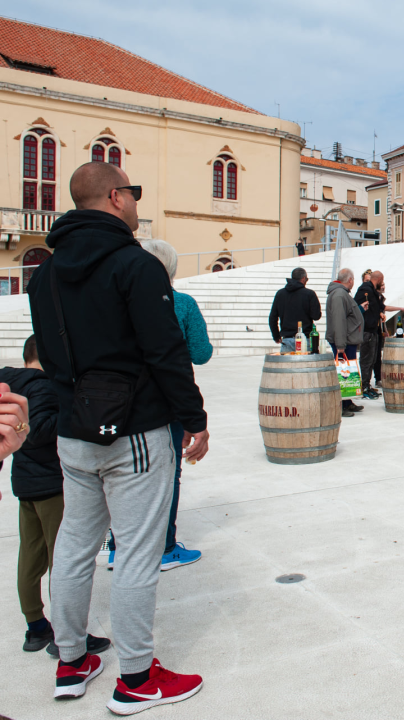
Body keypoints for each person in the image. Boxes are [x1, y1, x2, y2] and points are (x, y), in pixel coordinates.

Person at [28, 161, 208, 711]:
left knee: (76, 544)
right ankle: (136, 676)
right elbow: (165, 353)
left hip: (72, 430)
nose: (135, 201)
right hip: (133, 430)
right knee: (136, 551)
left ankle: (71, 658)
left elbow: (49, 354)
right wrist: (194, 418)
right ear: (114, 197)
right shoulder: (136, 265)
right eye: (132, 192)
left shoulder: (44, 273)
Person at [107, 239, 212, 574]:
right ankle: (165, 548)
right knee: (168, 476)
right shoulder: (181, 304)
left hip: (116, 403)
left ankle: (116, 546)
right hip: (167, 402)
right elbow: (201, 353)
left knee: (119, 477)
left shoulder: (114, 300)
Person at [4, 336, 111, 657]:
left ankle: (35, 627)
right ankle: (69, 636)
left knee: (30, 556)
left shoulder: (8, 382)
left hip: (24, 484)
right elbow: (37, 432)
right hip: (52, 487)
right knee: (64, 561)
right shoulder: (44, 386)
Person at [326, 268, 366, 417]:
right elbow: (339, 321)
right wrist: (340, 345)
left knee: (348, 374)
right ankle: (342, 405)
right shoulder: (339, 295)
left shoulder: (341, 293)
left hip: (347, 340)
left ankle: (348, 402)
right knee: (343, 374)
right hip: (344, 342)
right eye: (353, 280)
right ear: (350, 280)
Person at [269, 268, 322, 354]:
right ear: (303, 278)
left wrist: (276, 336)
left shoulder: (280, 294)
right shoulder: (309, 294)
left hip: (287, 339)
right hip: (305, 339)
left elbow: (272, 318)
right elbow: (316, 316)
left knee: (287, 366)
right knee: (306, 366)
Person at [354, 271, 386, 399]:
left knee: (372, 359)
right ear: (378, 279)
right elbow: (355, 307)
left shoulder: (373, 292)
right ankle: (364, 386)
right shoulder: (365, 290)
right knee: (366, 359)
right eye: (382, 281)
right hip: (367, 330)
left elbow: (376, 308)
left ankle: (367, 384)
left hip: (373, 329)